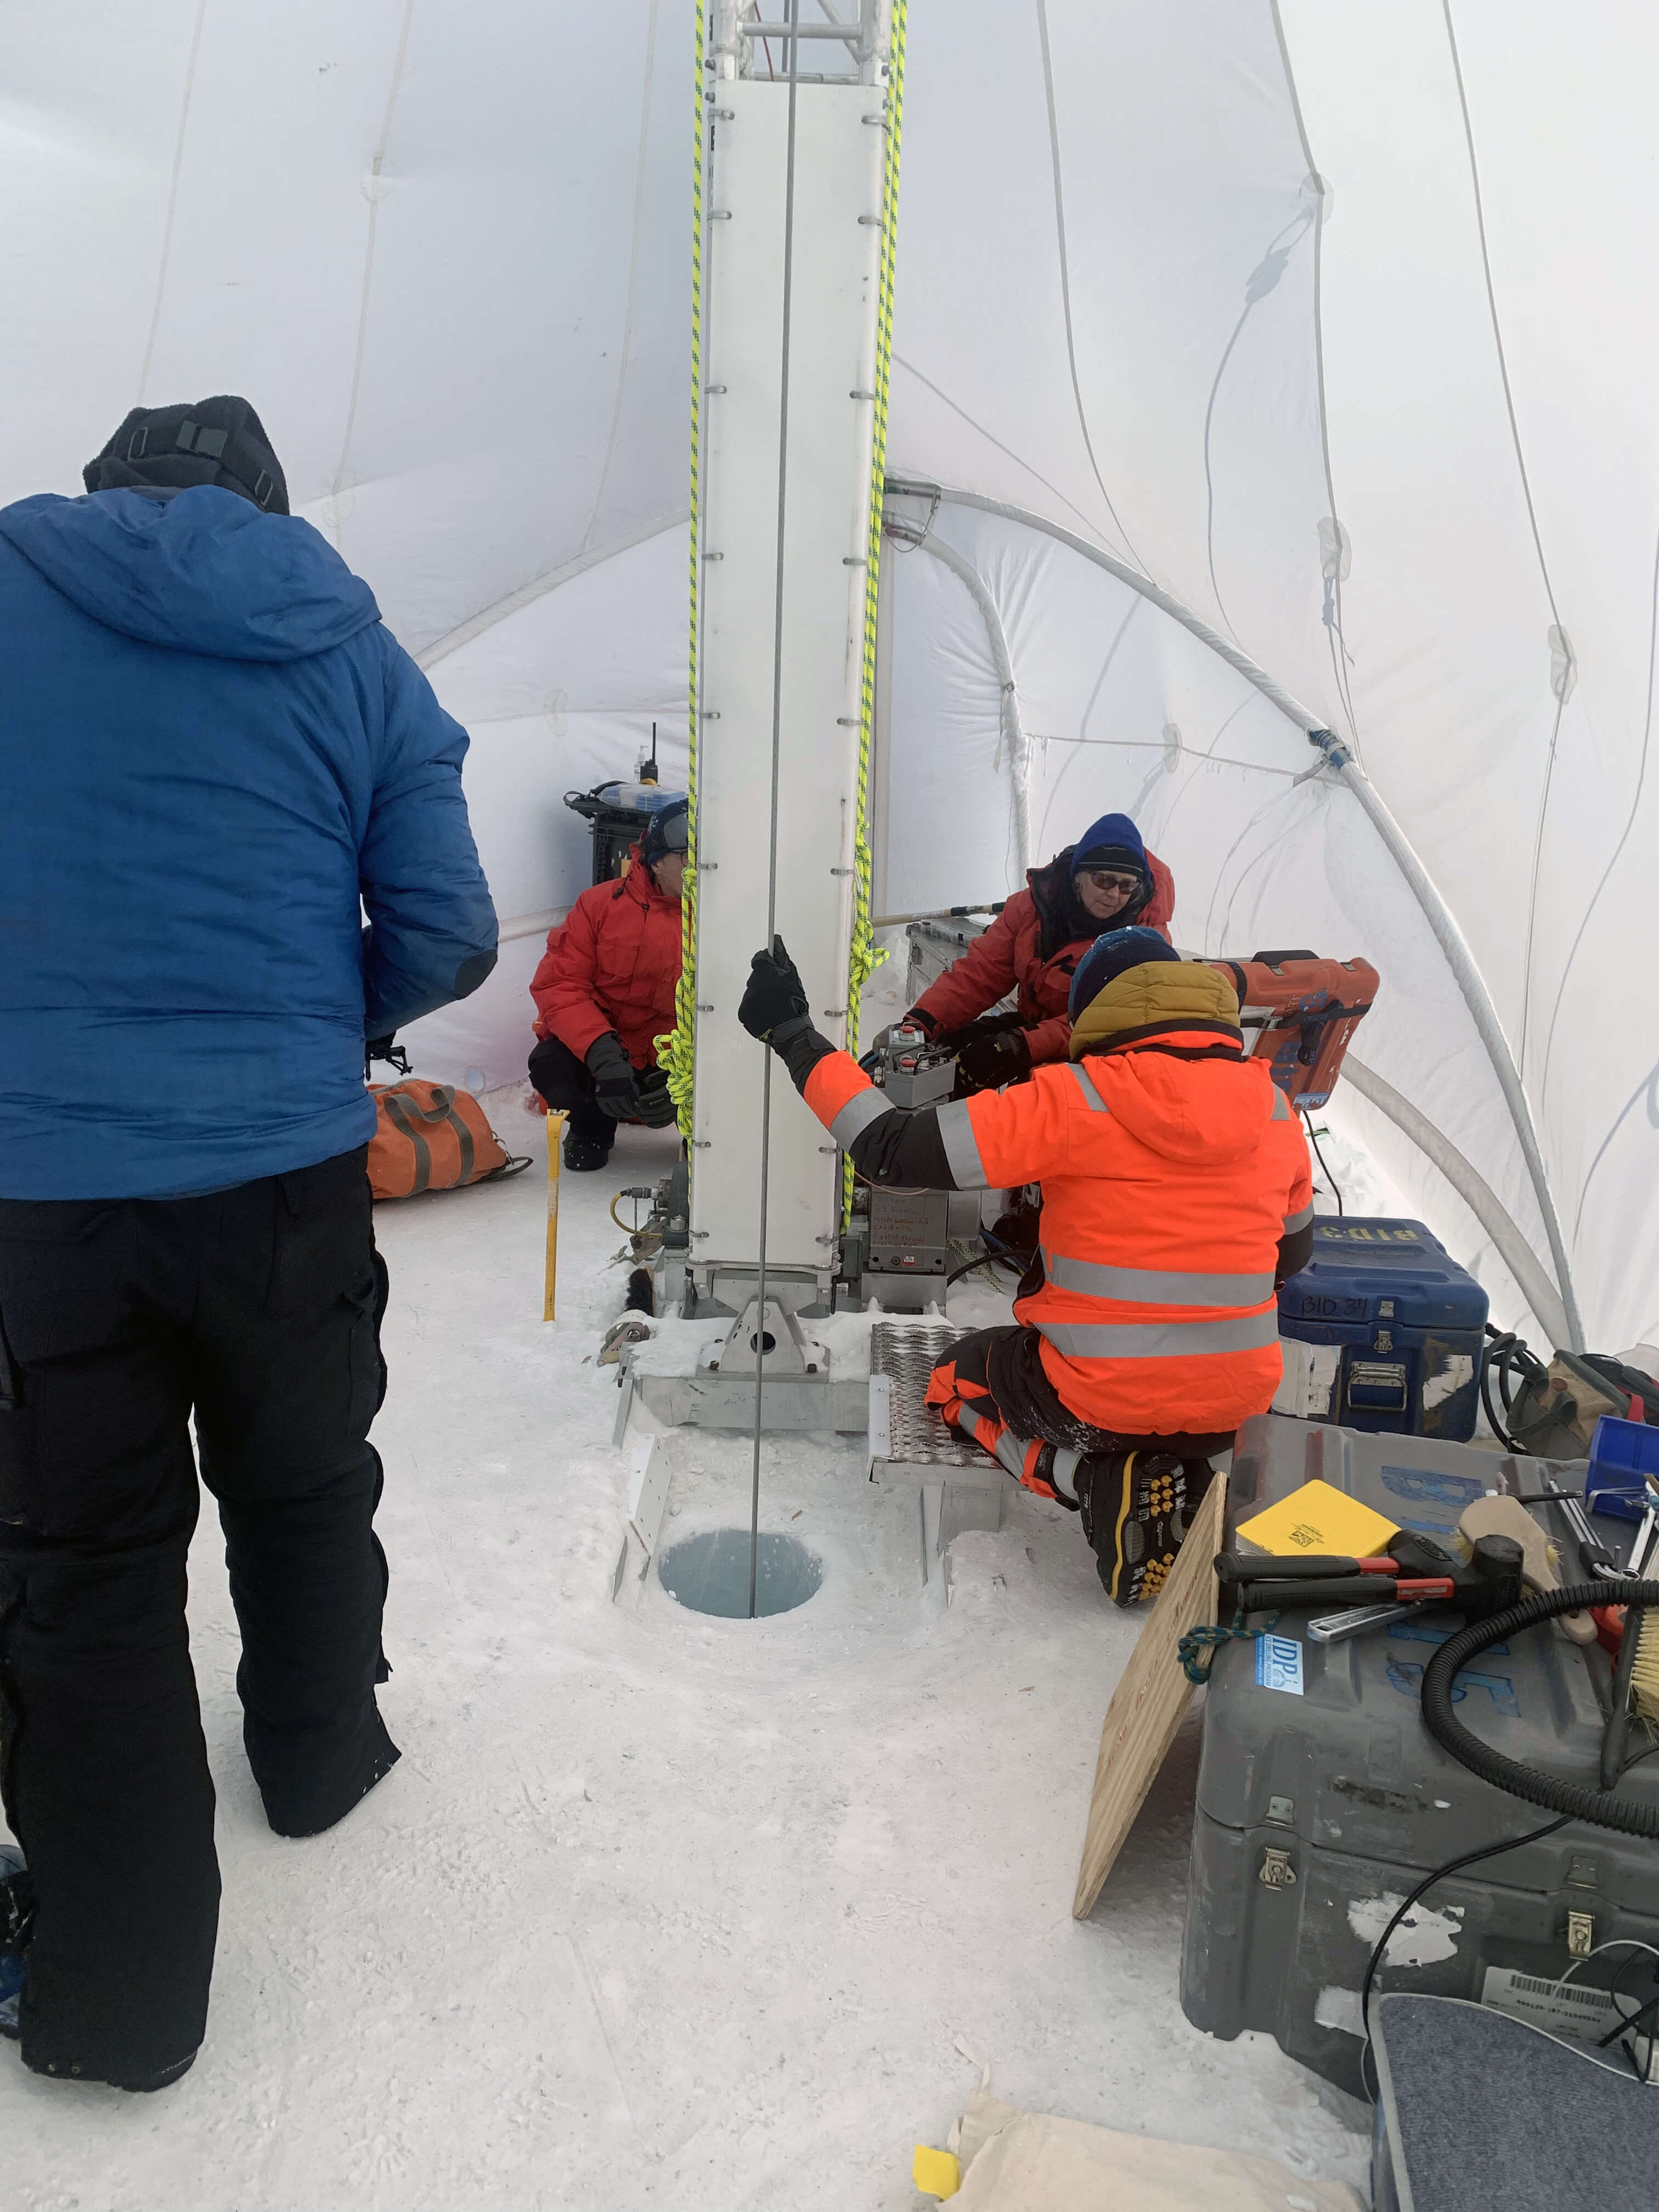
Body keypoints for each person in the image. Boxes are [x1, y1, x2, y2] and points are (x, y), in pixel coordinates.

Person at [0, 396, 497, 2089]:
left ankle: (123, 2007)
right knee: (300, 1478)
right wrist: (297, 1030)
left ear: (103, 489)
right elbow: (446, 926)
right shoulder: (356, 652)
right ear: (273, 508)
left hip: (41, 1197)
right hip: (286, 1180)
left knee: (82, 1576)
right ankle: (317, 1761)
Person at [739, 926, 1313, 1604]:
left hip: (1093, 1402)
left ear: (1097, 1010)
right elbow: (1291, 1257)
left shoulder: (1074, 1097)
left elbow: (890, 1148)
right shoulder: (1276, 1111)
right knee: (1168, 1407)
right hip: (1234, 1405)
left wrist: (794, 1034)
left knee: (951, 1382)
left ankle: (1092, 1483)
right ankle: (1182, 1481)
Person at [902, 810, 1175, 1091]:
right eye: (1104, 880)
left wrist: (1020, 1045)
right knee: (954, 1049)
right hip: (1035, 1026)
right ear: (1079, 876)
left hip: (1095, 1055)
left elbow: (1109, 1019)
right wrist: (924, 1020)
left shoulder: (1143, 941)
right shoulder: (1033, 908)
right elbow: (981, 972)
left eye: (1127, 885)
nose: (1115, 894)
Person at [528, 800, 686, 1171]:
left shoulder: (727, 916)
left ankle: (705, 1137)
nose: (697, 866)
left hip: (672, 1054)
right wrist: (603, 1057)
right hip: (611, 1051)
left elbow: (729, 1009)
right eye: (685, 856)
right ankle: (591, 1128)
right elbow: (560, 986)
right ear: (657, 861)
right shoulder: (598, 905)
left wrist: (688, 1080)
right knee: (551, 1064)